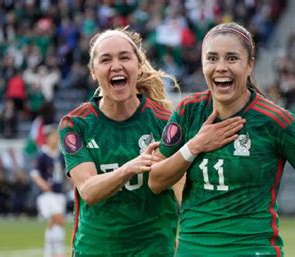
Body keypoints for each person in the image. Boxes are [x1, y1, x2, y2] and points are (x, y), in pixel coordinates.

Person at [149, 22, 295, 257]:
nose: (221, 67)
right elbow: (156, 181)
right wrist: (195, 146)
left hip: (253, 250)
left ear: (250, 64)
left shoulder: (276, 122)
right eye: (212, 58)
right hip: (193, 251)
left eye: (232, 58)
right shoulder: (188, 111)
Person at [58, 27, 244, 257]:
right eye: (105, 59)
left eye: (124, 57)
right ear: (93, 71)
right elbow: (88, 190)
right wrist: (129, 167)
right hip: (95, 251)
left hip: (154, 251)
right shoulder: (76, 124)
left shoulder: (166, 122)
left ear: (138, 65)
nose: (116, 65)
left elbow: (181, 190)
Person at [31, 125, 67, 257]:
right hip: (47, 195)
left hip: (59, 193)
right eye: (53, 136)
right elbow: (34, 174)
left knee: (53, 224)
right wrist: (43, 184)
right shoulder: (42, 155)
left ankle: (48, 252)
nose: (56, 139)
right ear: (47, 138)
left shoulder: (60, 155)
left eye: (57, 136)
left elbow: (66, 173)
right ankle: (59, 252)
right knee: (59, 218)